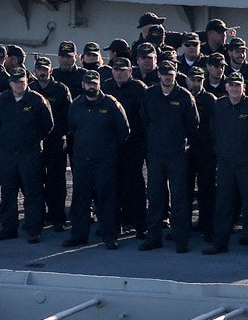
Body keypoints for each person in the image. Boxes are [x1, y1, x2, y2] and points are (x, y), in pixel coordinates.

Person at [204, 73, 248, 256]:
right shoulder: (219, 105)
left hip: (246, 164)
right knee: (223, 205)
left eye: (238, 85)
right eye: (231, 85)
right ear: (226, 87)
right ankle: (219, 244)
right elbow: (214, 131)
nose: (234, 88)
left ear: (244, 87)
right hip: (225, 164)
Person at [64, 70, 129, 248]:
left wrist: (109, 149)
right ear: (83, 85)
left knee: (107, 199)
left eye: (94, 83)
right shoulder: (76, 105)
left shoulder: (111, 104)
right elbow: (72, 128)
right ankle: (78, 235)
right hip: (82, 160)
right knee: (80, 200)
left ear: (99, 84)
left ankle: (110, 237)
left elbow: (123, 131)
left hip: (104, 161)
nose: (91, 87)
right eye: (88, 84)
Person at [139, 60, 199, 252]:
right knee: (155, 197)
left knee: (179, 198)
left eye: (170, 73)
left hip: (177, 155)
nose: (167, 76)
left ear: (175, 74)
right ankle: (154, 238)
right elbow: (144, 120)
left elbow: (193, 124)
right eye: (164, 73)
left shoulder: (184, 97)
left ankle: (181, 239)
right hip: (156, 154)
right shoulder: (149, 95)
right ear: (159, 75)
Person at [0, 68, 53, 243]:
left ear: (26, 82)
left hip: (29, 154)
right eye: (15, 82)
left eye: (22, 82)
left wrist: (31, 140)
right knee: (8, 192)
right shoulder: (3, 100)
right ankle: (8, 228)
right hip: (7, 154)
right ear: (10, 83)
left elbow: (48, 125)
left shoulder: (37, 100)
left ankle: (34, 230)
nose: (19, 85)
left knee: (33, 193)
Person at [102, 57, 148, 239]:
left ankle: (140, 225)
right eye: (116, 70)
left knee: (135, 185)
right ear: (112, 70)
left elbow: (147, 116)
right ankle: (114, 224)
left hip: (134, 145)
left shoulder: (140, 89)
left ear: (130, 71)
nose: (119, 73)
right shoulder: (105, 88)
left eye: (123, 70)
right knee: (112, 187)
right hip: (111, 146)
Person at [30, 56, 71, 232]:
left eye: (45, 69)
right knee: (35, 181)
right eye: (39, 69)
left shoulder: (61, 89)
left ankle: (58, 217)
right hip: (34, 143)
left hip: (55, 142)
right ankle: (37, 217)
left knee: (57, 181)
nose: (42, 72)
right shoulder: (30, 89)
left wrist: (60, 132)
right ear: (35, 71)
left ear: (51, 70)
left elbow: (70, 116)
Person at [186, 67, 218, 240]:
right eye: (194, 80)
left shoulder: (210, 100)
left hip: (206, 151)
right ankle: (184, 226)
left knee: (207, 190)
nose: (196, 83)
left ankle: (207, 227)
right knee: (186, 190)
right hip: (186, 151)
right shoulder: (184, 97)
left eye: (199, 80)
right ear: (187, 80)